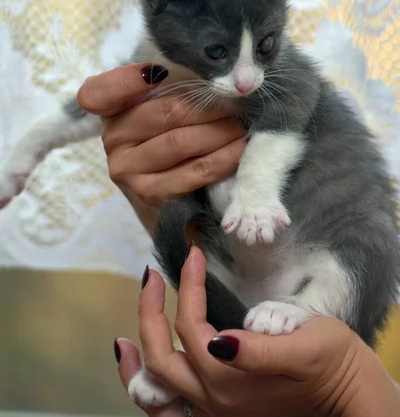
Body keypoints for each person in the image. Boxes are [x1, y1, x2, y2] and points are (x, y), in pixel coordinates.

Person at [77, 63, 400, 417]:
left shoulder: (281, 81)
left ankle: (292, 316)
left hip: (326, 270)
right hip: (249, 267)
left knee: (370, 234)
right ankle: (208, 359)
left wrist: (347, 383)